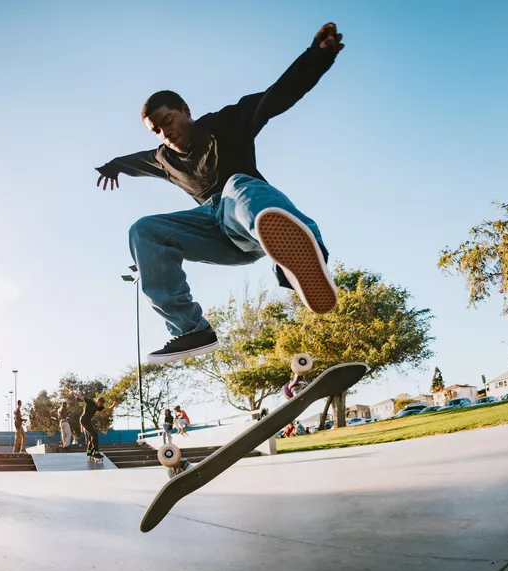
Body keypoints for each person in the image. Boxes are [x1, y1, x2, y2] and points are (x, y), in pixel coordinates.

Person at [96, 23, 345, 364]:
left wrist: (318, 57)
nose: (165, 133)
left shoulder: (226, 123)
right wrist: (114, 165)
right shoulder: (163, 159)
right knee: (144, 230)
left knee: (236, 185)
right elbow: (134, 161)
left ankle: (300, 260)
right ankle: (191, 329)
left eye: (167, 121)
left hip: (247, 214)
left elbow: (278, 95)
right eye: (156, 130)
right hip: (214, 235)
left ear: (185, 109)